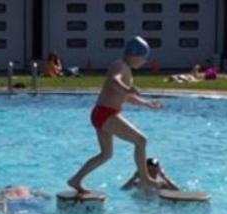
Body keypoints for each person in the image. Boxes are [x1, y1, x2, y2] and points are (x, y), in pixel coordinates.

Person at [67, 36, 163, 196]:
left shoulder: (126, 69)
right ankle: (145, 178)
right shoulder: (119, 66)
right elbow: (113, 80)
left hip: (102, 113)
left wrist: (146, 103)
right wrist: (127, 88)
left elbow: (126, 97)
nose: (144, 62)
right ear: (135, 55)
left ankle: (75, 180)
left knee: (106, 154)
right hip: (106, 113)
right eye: (143, 58)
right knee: (141, 140)